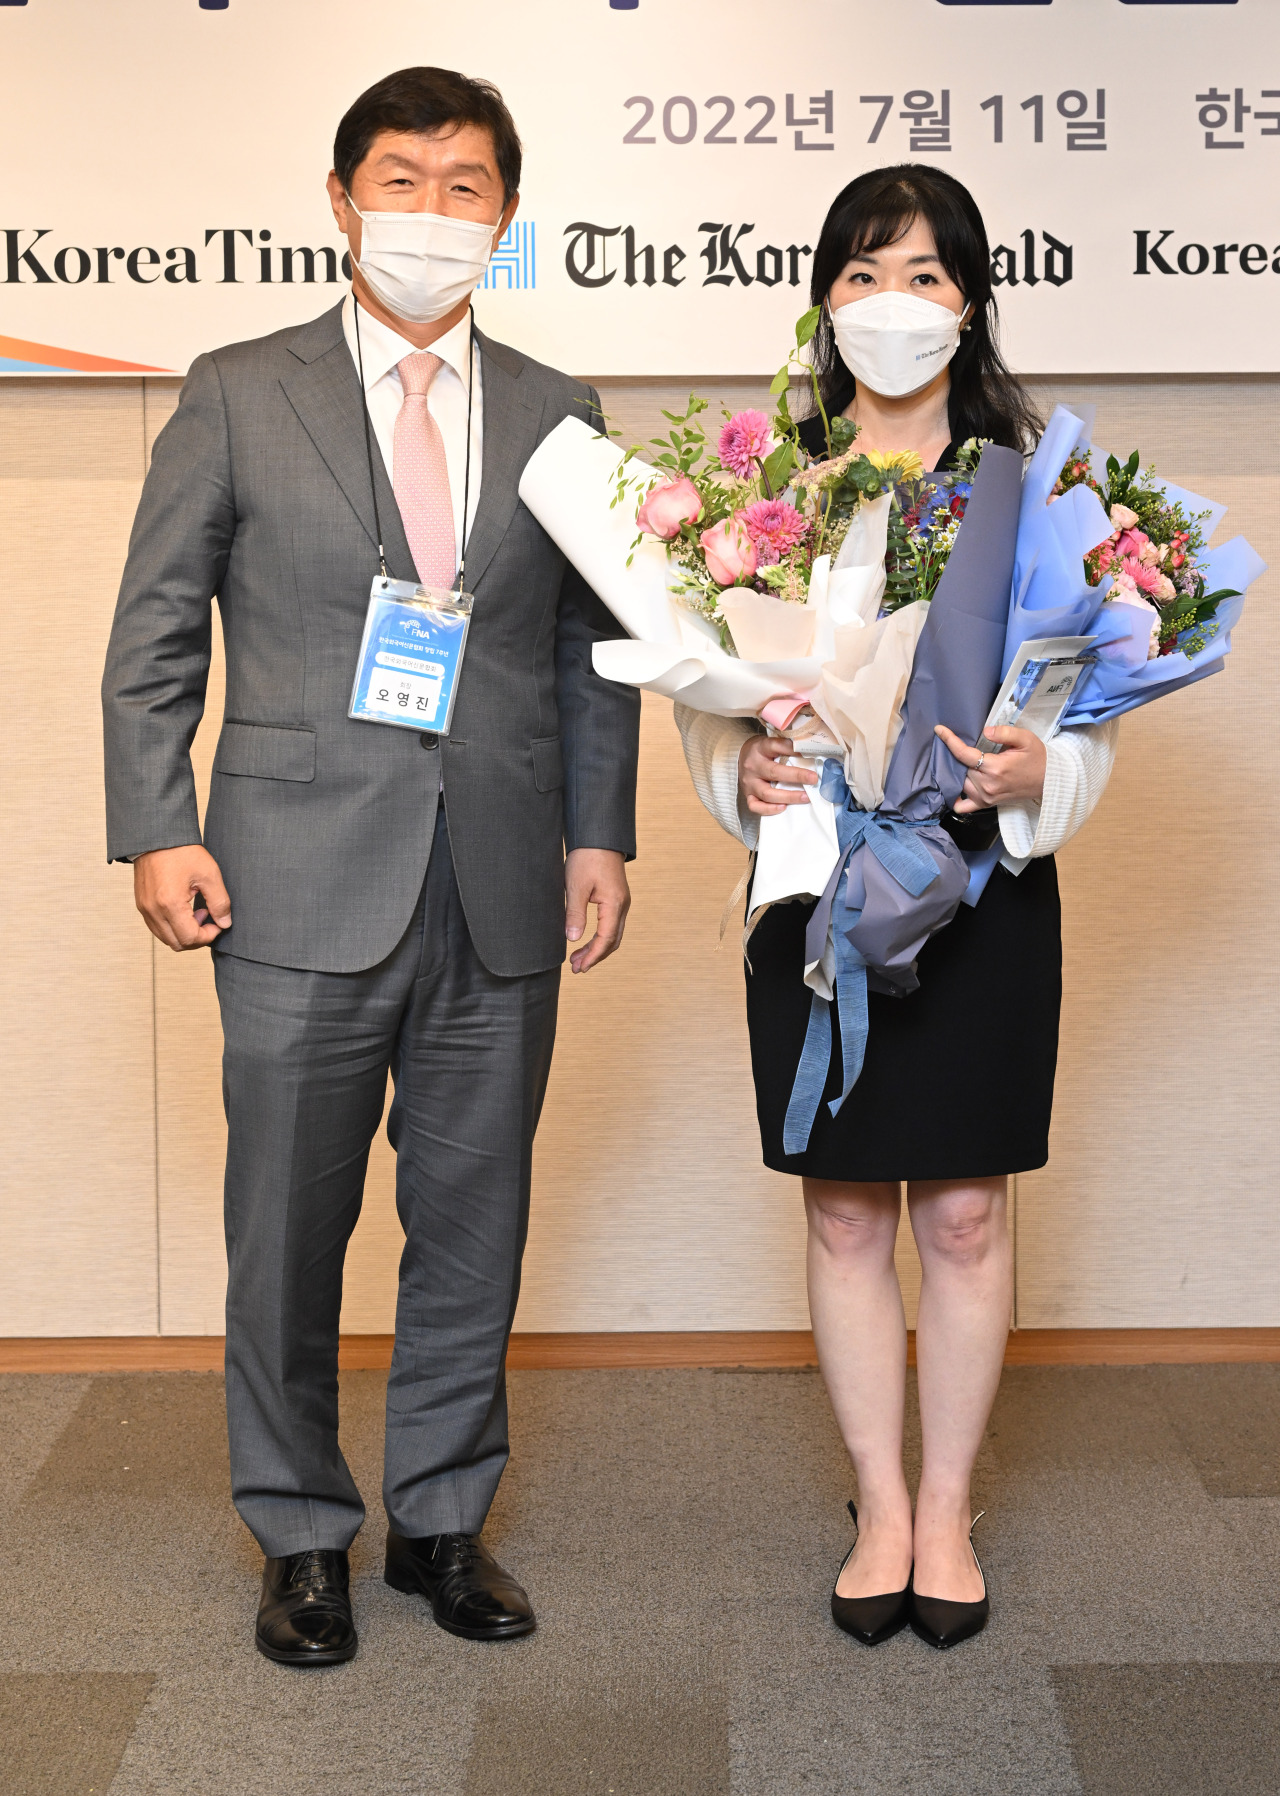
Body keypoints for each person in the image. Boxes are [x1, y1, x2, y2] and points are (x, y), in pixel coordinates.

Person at [101, 67, 640, 1666]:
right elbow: (151, 635)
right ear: (341, 201)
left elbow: (595, 653)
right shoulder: (235, 388)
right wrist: (156, 820)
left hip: (497, 873)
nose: (430, 210)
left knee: (473, 1216)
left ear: (506, 218)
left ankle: (440, 1519)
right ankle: (300, 1531)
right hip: (283, 873)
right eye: (399, 180)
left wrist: (598, 833)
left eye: (464, 186)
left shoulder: (562, 410)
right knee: (287, 1221)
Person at [677, 165, 1117, 1650]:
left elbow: (1088, 711)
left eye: (926, 277)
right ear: (823, 302)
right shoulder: (765, 501)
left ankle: (948, 1502)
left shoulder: (1038, 493)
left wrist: (1037, 766)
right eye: (864, 276)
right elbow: (711, 716)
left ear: (972, 304)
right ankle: (878, 1501)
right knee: (852, 1207)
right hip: (815, 892)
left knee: (971, 1217)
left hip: (981, 887)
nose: (893, 308)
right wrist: (746, 768)